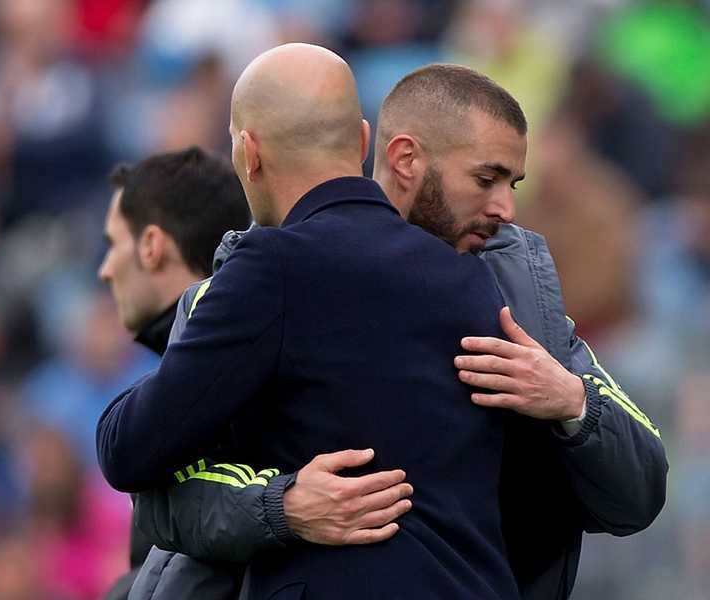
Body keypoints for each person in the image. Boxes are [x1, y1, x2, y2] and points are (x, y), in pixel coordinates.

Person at [128, 64, 667, 600]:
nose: (507, 208)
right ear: (404, 159)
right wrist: (280, 506)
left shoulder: (519, 302)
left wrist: (571, 402)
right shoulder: (252, 286)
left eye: (513, 184)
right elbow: (158, 491)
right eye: (486, 179)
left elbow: (641, 491)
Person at [97, 43, 521, 599]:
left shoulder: (272, 267)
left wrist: (278, 503)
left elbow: (130, 450)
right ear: (363, 142)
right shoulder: (472, 278)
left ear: (248, 154)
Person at [96, 148, 251, 600]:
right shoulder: (226, 366)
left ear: (151, 245)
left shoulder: (223, 390)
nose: (105, 270)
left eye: (113, 244)